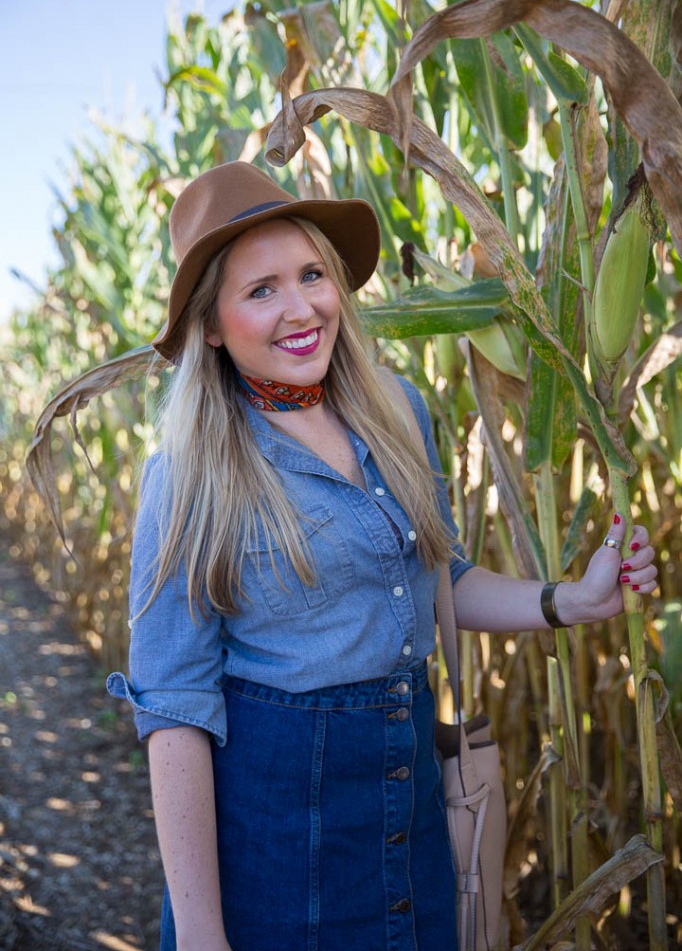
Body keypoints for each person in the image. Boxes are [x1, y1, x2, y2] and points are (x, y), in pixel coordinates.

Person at [107, 161, 658, 951]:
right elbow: (174, 710)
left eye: (312, 275)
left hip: (409, 808)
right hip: (276, 831)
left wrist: (568, 599)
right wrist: (201, 935)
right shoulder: (191, 474)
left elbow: (436, 580)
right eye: (261, 290)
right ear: (212, 324)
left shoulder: (396, 410)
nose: (302, 309)